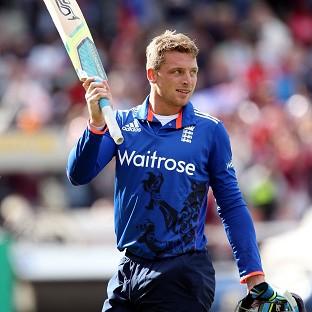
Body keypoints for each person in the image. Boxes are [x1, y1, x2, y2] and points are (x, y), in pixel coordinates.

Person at [67, 30, 300, 312]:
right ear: (152, 74)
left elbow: (232, 205)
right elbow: (78, 174)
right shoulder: (121, 124)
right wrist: (95, 125)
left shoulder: (209, 131)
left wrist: (254, 276)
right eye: (177, 71)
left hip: (182, 273)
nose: (187, 80)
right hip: (128, 270)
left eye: (192, 71)